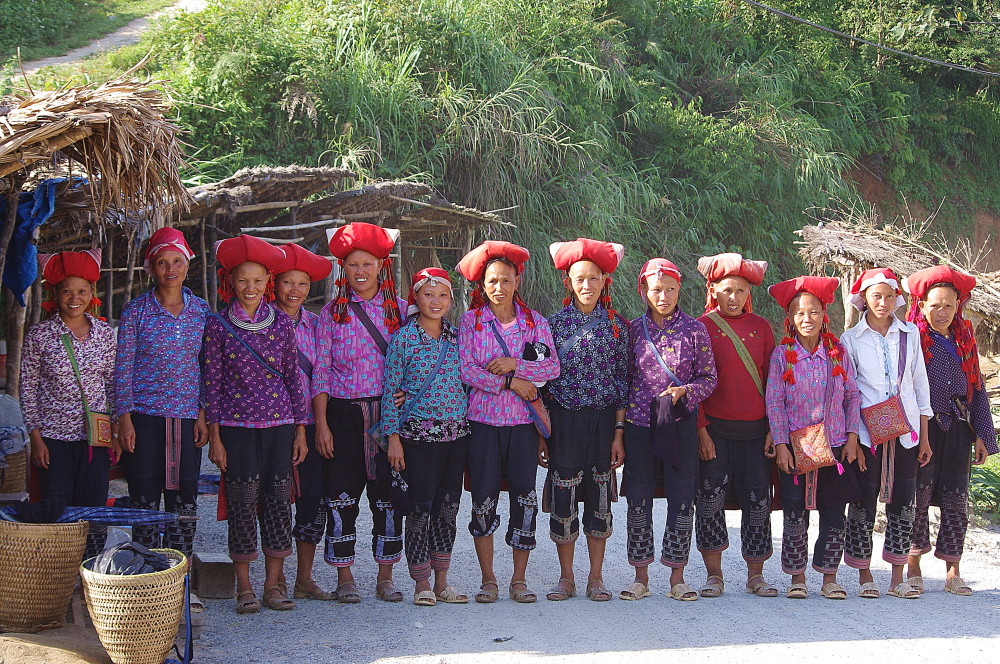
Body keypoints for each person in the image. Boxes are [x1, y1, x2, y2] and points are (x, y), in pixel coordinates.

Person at [201, 235, 309, 614]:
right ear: (231, 282)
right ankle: (244, 587)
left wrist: (300, 429)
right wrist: (214, 436)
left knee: (280, 503)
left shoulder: (281, 323)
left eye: (258, 280)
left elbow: (292, 378)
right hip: (235, 428)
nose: (250, 288)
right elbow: (211, 382)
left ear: (268, 283)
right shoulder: (216, 325)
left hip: (280, 426)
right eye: (242, 280)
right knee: (243, 504)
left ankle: (273, 586)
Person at [458, 240, 559, 604]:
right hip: (483, 424)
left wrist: (516, 365)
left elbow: (552, 367)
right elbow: (466, 370)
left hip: (522, 427)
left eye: (505, 280)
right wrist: (508, 382)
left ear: (517, 281)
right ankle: (488, 579)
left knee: (525, 497)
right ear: (482, 286)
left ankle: (518, 579)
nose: (498, 288)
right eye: (491, 281)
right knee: (483, 498)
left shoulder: (535, 323)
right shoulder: (471, 322)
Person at [312, 222, 407, 603]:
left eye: (368, 263)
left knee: (387, 496)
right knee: (341, 496)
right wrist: (321, 423)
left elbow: (416, 362)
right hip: (343, 416)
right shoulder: (331, 315)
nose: (361, 271)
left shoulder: (400, 312)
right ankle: (345, 577)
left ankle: (385, 577)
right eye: (353, 265)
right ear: (343, 270)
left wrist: (405, 401)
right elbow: (320, 370)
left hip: (388, 419)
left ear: (381, 267)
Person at [620, 259, 717, 602]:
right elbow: (625, 379)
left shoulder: (695, 330)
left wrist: (684, 391)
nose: (663, 295)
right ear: (643, 291)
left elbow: (709, 378)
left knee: (681, 498)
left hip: (679, 424)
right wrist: (619, 431)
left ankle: (678, 577)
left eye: (670, 289)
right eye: (656, 289)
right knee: (638, 497)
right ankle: (640, 577)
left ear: (680, 291)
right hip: (639, 425)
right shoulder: (632, 330)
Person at [538, 238, 628, 602]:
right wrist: (543, 434)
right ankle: (565, 578)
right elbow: (541, 384)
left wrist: (618, 433)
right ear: (568, 283)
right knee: (564, 498)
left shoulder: (619, 327)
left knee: (599, 500)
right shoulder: (551, 325)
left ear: (605, 281)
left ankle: (595, 577)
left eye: (594, 278)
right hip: (563, 425)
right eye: (579, 279)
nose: (587, 286)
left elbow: (623, 381)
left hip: (603, 424)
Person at [115, 227, 211, 562]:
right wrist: (124, 419)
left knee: (184, 493)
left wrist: (202, 415)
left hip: (186, 418)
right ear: (151, 267)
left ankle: (179, 572)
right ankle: (145, 568)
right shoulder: (136, 311)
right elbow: (122, 367)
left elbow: (206, 367)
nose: (170, 269)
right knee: (143, 490)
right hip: (144, 417)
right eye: (161, 262)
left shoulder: (201, 312)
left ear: (188, 265)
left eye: (177, 261)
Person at [903, 266, 998, 595]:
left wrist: (983, 435)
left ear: (959, 304)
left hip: (958, 427)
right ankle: (913, 563)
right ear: (921, 304)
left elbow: (977, 389)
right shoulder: (912, 339)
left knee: (957, 500)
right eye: (934, 305)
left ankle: (953, 570)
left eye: (948, 305)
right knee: (919, 495)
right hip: (922, 427)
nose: (941, 312)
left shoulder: (965, 342)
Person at [765, 276, 861, 600]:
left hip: (834, 444)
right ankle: (797, 578)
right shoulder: (782, 356)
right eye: (800, 313)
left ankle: (829, 578)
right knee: (795, 513)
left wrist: (851, 437)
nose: (807, 319)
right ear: (790, 318)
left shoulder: (837, 353)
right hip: (796, 446)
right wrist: (780, 444)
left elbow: (852, 396)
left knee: (834, 513)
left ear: (824, 315)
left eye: (814, 312)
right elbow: (774, 402)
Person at [840, 268, 932, 599]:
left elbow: (920, 388)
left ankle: (896, 578)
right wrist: (853, 437)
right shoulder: (850, 339)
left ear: (897, 299)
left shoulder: (910, 335)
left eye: (889, 296)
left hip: (905, 433)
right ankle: (865, 575)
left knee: (903, 503)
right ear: (863, 299)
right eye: (876, 296)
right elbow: (848, 392)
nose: (883, 302)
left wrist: (923, 437)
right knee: (864, 502)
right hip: (866, 434)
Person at [381, 268, 470, 606]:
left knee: (448, 509)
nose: (436, 301)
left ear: (450, 300)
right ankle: (421, 583)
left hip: (456, 437)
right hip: (416, 438)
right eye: (428, 294)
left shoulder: (457, 337)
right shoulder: (403, 339)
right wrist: (392, 437)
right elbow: (390, 390)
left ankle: (443, 580)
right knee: (419, 511)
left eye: (442, 295)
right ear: (415, 299)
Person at [20, 249, 117, 557]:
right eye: (66, 291)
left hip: (95, 438)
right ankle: (58, 575)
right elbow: (27, 389)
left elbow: (113, 384)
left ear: (91, 294)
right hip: (53, 438)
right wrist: (36, 439)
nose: (74, 298)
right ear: (55, 294)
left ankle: (91, 575)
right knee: (57, 507)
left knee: (93, 509)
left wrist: (113, 431)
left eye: (81, 291)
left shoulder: (104, 334)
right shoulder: (40, 335)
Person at [693, 253, 778, 598]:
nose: (733, 297)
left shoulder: (762, 328)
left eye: (740, 291)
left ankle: (755, 575)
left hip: (756, 432)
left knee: (758, 501)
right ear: (713, 289)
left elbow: (775, 382)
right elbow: (693, 382)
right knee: (709, 500)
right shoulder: (702, 327)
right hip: (714, 430)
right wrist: (701, 430)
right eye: (726, 290)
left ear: (748, 294)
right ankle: (715, 575)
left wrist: (776, 429)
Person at [270, 243, 335, 601]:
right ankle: (274, 578)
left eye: (302, 284)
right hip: (272, 421)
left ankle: (304, 578)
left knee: (313, 497)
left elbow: (321, 372)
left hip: (310, 420)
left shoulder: (316, 323)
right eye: (287, 283)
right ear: (273, 284)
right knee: (276, 497)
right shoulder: (260, 320)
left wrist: (321, 423)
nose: (294, 291)